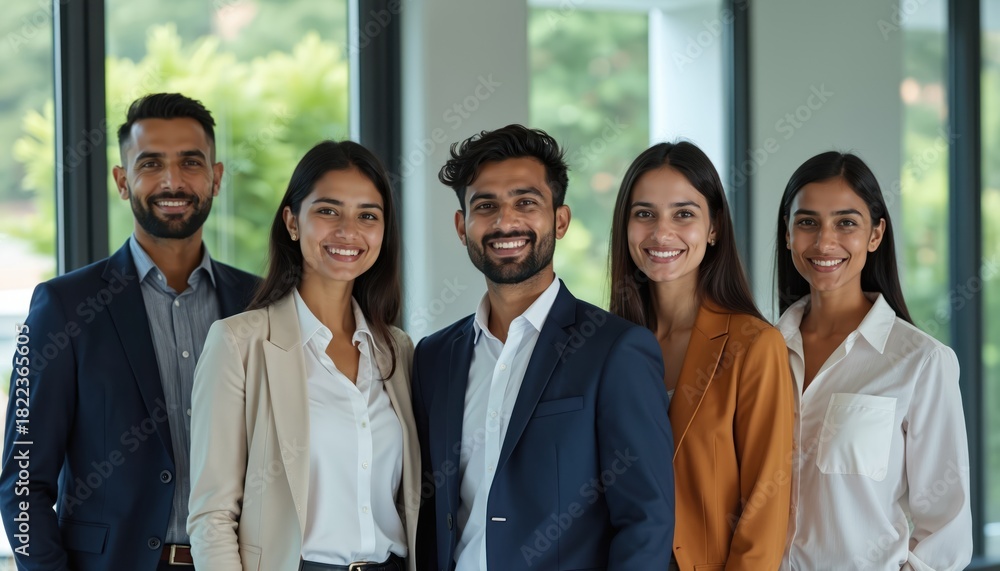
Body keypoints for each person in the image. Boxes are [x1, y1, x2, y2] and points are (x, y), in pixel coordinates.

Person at [0, 93, 259, 571]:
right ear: (122, 181)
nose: (173, 181)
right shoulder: (62, 307)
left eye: (191, 162)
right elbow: (21, 483)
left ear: (216, 178)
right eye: (151, 163)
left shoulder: (258, 303)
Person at [412, 124, 675, 571]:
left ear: (560, 220)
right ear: (462, 227)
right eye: (485, 205)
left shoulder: (617, 351)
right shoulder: (434, 357)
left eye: (526, 202)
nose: (504, 221)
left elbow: (646, 520)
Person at [187, 140, 418, 571]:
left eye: (368, 215)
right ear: (292, 222)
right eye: (328, 211)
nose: (348, 231)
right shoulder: (239, 344)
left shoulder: (397, 351)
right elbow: (212, 515)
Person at [775, 151, 972, 570]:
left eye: (846, 223)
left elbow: (947, 525)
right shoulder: (759, 353)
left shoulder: (920, 362)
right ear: (788, 234)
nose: (825, 242)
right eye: (807, 222)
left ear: (876, 234)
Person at [608, 141, 794, 569]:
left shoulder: (753, 345)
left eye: (684, 214)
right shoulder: (606, 345)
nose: (661, 232)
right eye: (644, 214)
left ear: (713, 228)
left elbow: (765, 506)